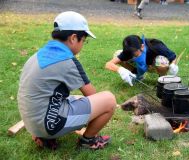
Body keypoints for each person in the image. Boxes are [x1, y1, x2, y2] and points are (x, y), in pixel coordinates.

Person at [17, 11, 116, 150]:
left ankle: (43, 136)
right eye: (84, 40)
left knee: (76, 98)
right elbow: (93, 96)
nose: (83, 44)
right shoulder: (67, 60)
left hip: (32, 123)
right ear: (74, 38)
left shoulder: (38, 54)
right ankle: (88, 140)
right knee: (109, 100)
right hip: (48, 126)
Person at [105, 35, 179, 86]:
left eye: (135, 54)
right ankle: (137, 75)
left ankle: (162, 79)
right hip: (139, 66)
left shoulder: (156, 45)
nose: (132, 56)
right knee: (117, 53)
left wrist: (173, 65)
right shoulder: (129, 51)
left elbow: (173, 56)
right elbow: (108, 64)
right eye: (131, 54)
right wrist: (120, 70)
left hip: (153, 66)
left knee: (161, 60)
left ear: (142, 46)